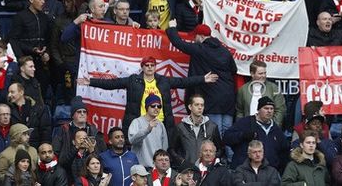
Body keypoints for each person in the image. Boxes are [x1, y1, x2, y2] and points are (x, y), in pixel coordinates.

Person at [88, 56, 217, 142]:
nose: (150, 67)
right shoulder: (133, 80)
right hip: (140, 124)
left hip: (161, 124)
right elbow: (112, 84)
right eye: (147, 65)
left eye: (152, 65)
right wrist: (91, 81)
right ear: (142, 67)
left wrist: (203, 79)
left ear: (155, 67)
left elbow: (183, 81)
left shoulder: (163, 81)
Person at [166, 21, 236, 138]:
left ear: (201, 36)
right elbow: (234, 69)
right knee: (227, 135)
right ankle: (229, 157)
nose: (194, 39)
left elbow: (178, 43)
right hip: (229, 98)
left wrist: (172, 28)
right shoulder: (225, 51)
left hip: (212, 97)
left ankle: (217, 156)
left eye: (195, 36)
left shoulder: (200, 49)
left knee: (214, 135)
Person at [224, 96, 289, 170]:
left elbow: (284, 151)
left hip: (268, 172)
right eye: (266, 108)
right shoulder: (245, 122)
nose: (269, 111)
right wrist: (242, 135)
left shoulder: (276, 129)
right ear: (258, 110)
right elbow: (226, 138)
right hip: (245, 171)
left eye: (271, 109)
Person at [169, 94, 222, 168]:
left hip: (207, 170)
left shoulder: (212, 127)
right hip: (187, 170)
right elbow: (171, 149)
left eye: (202, 105)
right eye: (197, 105)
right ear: (190, 107)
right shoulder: (180, 127)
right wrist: (182, 161)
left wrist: (211, 159)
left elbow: (220, 149)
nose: (200, 107)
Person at [52, 96, 106, 164]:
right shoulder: (63, 130)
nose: (82, 114)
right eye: (79, 112)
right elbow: (55, 152)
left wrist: (92, 150)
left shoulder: (94, 131)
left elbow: (103, 154)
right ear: (72, 115)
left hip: (90, 168)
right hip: (67, 168)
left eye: (84, 112)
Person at [236, 60, 286, 126]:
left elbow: (280, 109)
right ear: (252, 74)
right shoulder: (243, 89)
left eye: (264, 73)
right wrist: (241, 126)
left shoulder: (273, 88)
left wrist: (274, 125)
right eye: (260, 73)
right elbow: (240, 111)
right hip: (249, 128)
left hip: (268, 128)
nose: (263, 76)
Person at [128, 94, 168, 168]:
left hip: (157, 169)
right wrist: (147, 129)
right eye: (153, 106)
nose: (156, 108)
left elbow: (164, 148)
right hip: (141, 168)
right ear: (147, 107)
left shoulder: (160, 124)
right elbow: (132, 140)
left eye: (159, 106)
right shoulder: (137, 122)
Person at [7, 82, 52, 148]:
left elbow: (45, 130)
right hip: (16, 148)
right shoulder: (8, 110)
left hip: (35, 148)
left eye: (12, 92)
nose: (9, 95)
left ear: (21, 92)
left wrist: (43, 147)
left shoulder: (39, 108)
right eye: (8, 92)